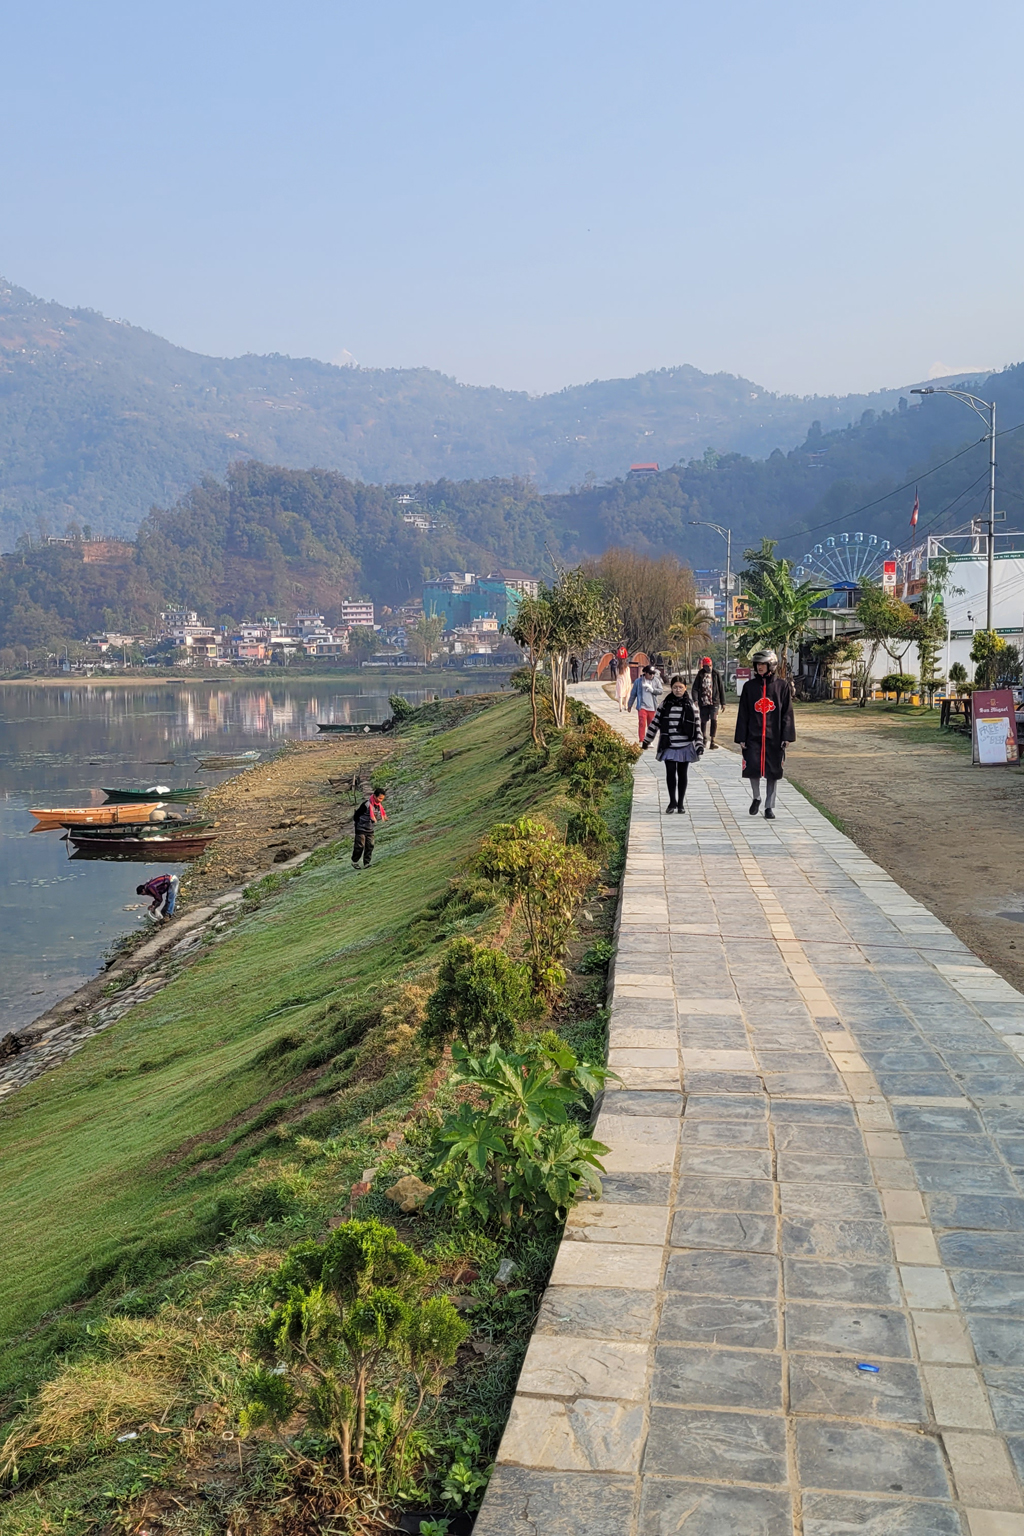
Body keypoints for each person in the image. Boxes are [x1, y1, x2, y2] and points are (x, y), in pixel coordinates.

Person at [734, 649, 796, 819]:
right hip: (753, 736)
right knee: (753, 767)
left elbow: (787, 713)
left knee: (772, 772)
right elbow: (743, 713)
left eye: (763, 664)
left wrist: (786, 736)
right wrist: (741, 737)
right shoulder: (749, 687)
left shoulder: (782, 686)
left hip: (773, 736)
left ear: (771, 665)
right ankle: (756, 797)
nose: (760, 667)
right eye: (758, 664)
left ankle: (769, 806)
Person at [641, 675, 704, 813]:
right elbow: (655, 723)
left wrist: (699, 745)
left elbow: (697, 727)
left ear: (685, 688)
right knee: (670, 773)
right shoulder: (665, 704)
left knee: (682, 774)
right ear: (671, 688)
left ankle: (681, 803)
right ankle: (672, 802)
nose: (677, 690)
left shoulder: (691, 705)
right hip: (669, 744)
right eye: (675, 687)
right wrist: (647, 740)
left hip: (685, 745)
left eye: (680, 687)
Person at [692, 655, 725, 748]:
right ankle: (704, 738)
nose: (709, 668)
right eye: (707, 666)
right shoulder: (700, 674)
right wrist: (695, 700)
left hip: (714, 701)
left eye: (710, 666)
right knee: (703, 721)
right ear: (703, 666)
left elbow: (721, 688)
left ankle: (712, 741)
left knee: (714, 719)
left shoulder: (716, 674)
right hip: (703, 702)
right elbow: (695, 688)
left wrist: (723, 702)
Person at [352, 784, 388, 868]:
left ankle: (366, 863)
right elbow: (356, 815)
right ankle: (354, 861)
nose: (381, 801)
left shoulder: (378, 806)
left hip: (370, 829)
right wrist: (358, 825)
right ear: (375, 796)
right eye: (379, 798)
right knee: (360, 846)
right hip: (361, 828)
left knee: (370, 845)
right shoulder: (366, 805)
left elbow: (377, 815)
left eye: (382, 799)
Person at [627, 664, 663, 744]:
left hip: (652, 707)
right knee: (642, 722)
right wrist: (629, 705)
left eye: (653, 673)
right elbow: (633, 694)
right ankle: (642, 740)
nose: (652, 675)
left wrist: (653, 690)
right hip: (642, 706)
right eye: (650, 673)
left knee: (651, 725)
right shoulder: (638, 682)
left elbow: (661, 691)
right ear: (645, 673)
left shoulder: (656, 681)